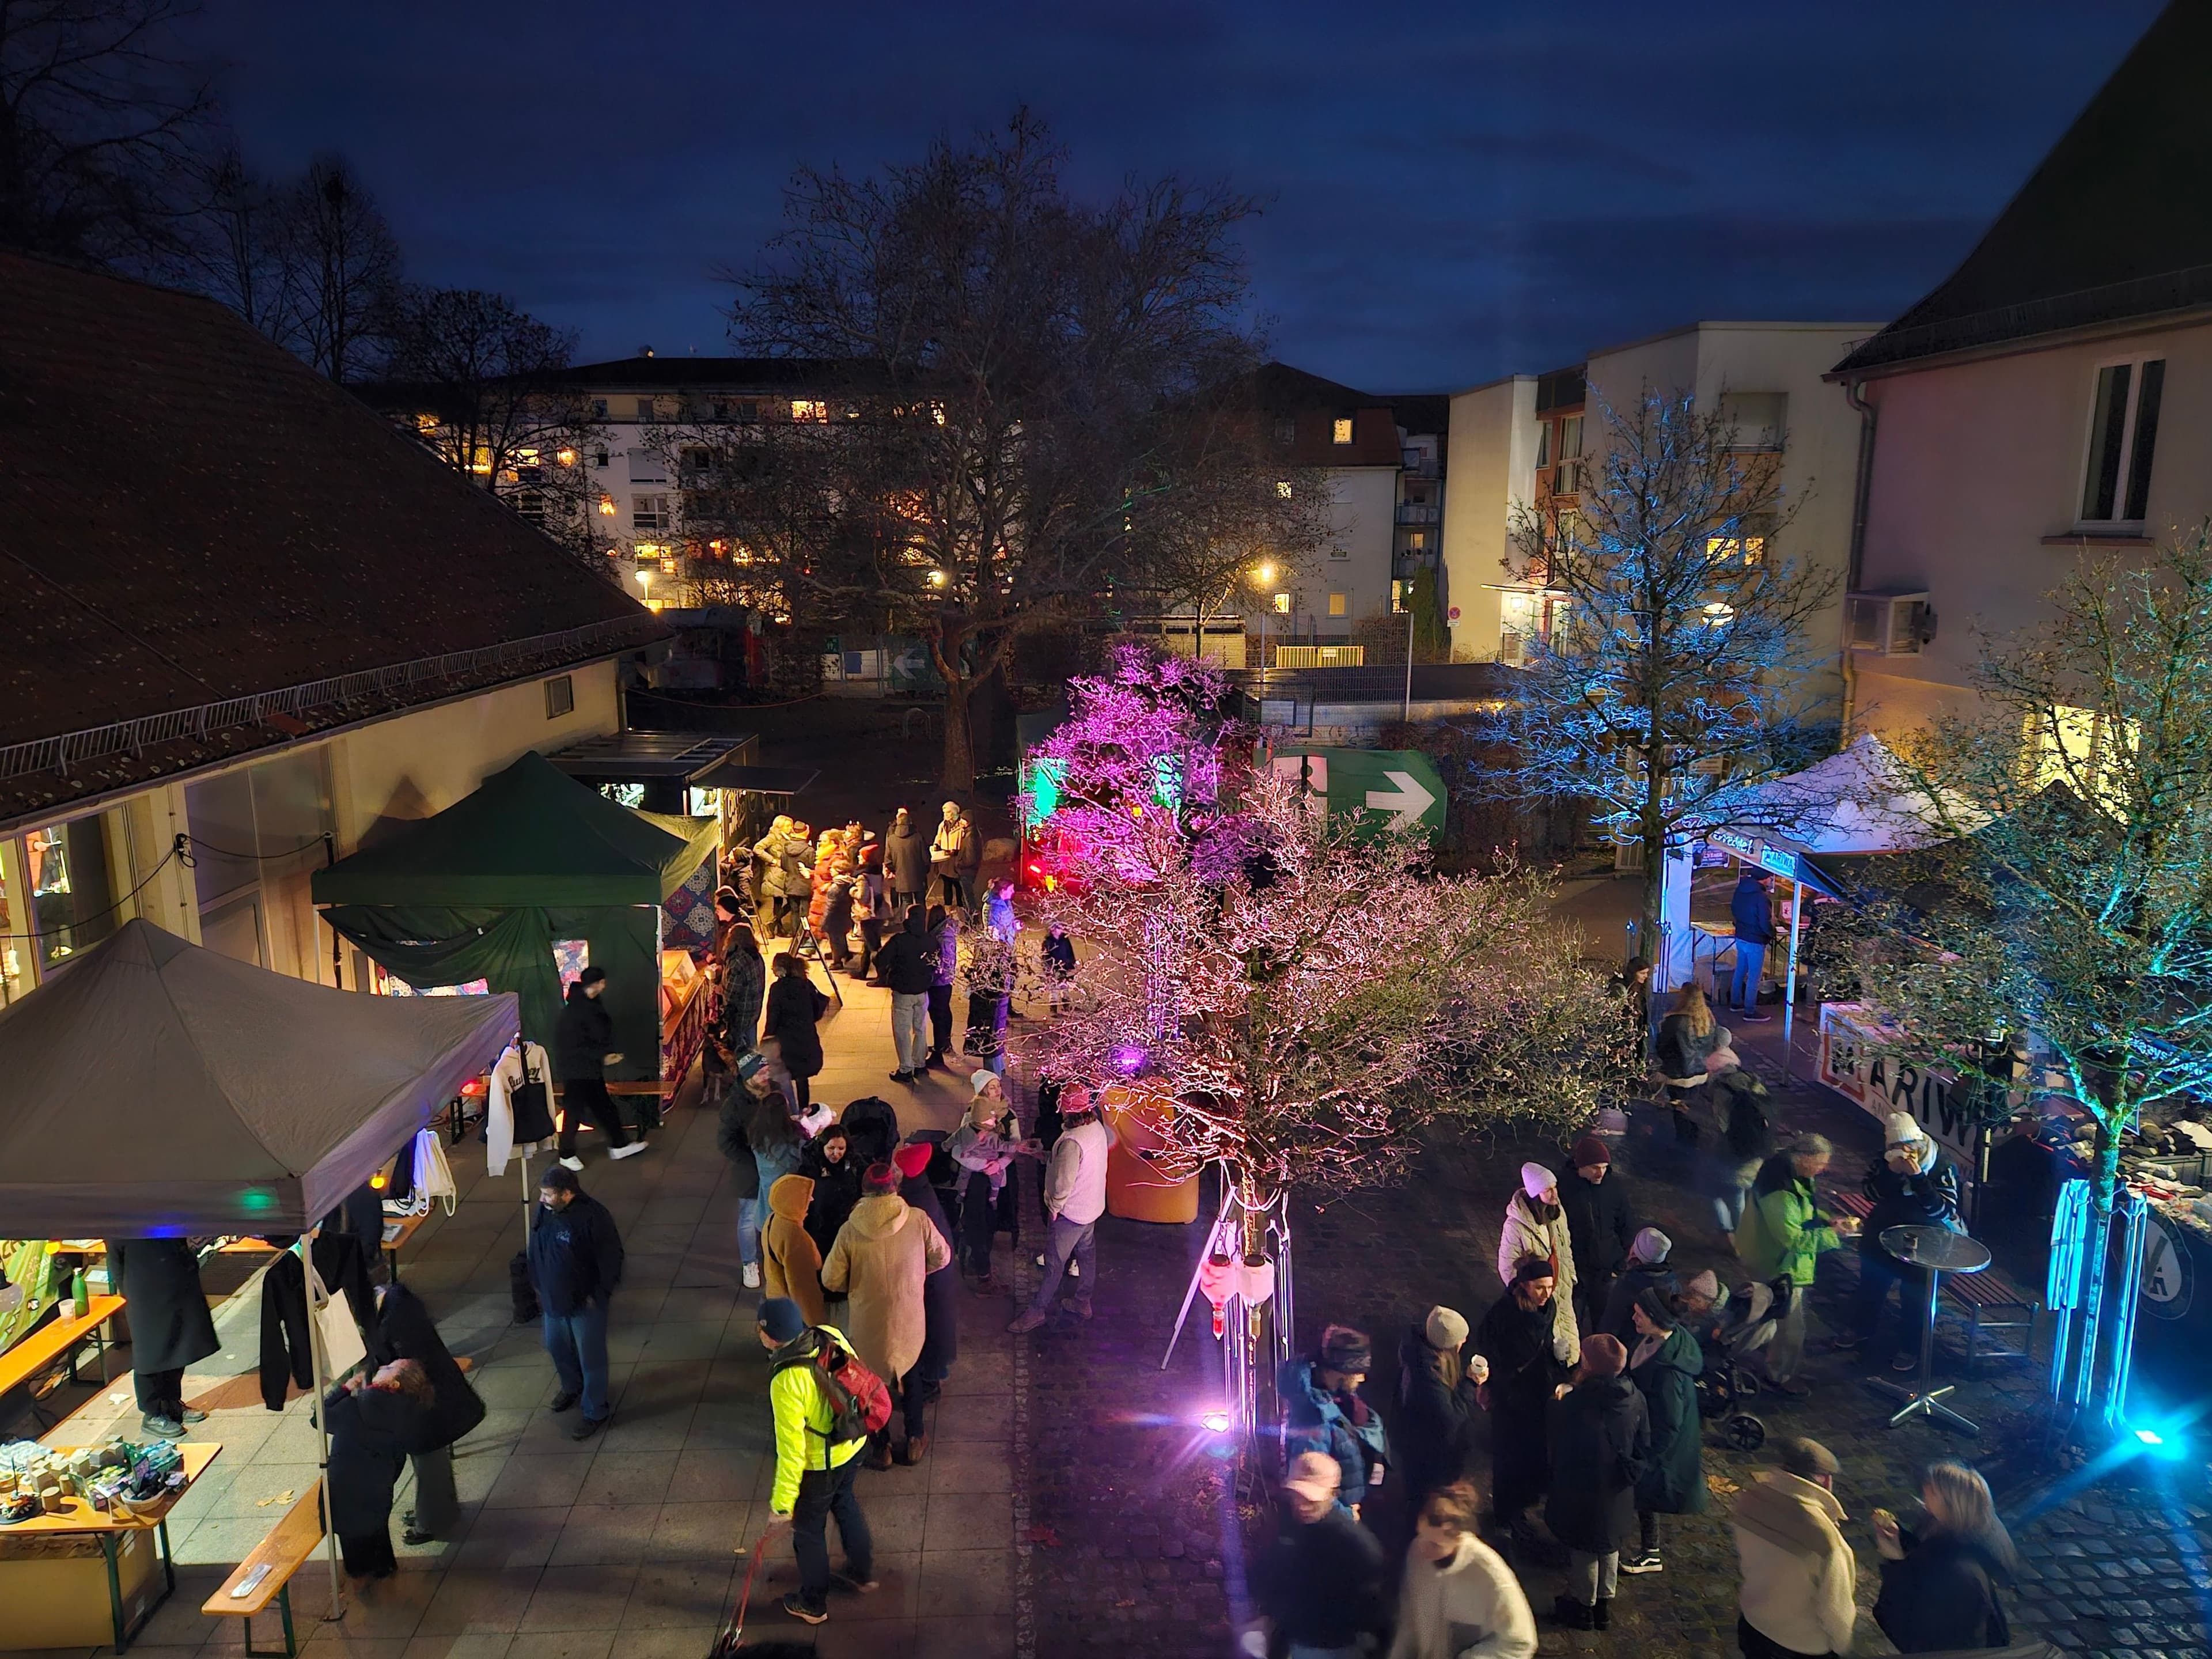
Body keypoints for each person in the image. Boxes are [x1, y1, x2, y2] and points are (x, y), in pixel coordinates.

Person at [821, 1161, 952, 1469]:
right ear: (895, 1188)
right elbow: (942, 1256)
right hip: (908, 1317)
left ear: (865, 1191)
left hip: (868, 1321)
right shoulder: (917, 1219)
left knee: (870, 1383)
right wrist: (918, 1275)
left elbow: (831, 1279)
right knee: (911, 1373)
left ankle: (882, 1447)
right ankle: (915, 1438)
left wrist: (856, 1285)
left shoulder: (851, 1229)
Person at [756, 1297, 876, 1626]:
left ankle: (812, 1603)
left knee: (808, 1531)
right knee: (845, 1502)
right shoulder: (827, 1334)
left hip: (823, 1465)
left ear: (771, 1336)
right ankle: (862, 1572)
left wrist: (782, 1506)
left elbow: (792, 1450)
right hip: (854, 1443)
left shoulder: (786, 1381)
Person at [1842, 1112, 1962, 1375]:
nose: (1904, 1153)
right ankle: (1861, 1329)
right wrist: (1891, 1174)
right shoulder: (1885, 1160)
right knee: (1872, 1284)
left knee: (1915, 1297)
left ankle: (1910, 1347)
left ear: (1918, 1144)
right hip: (1885, 1231)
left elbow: (1942, 1211)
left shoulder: (1942, 1165)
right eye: (1897, 1148)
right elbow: (1871, 1192)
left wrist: (1918, 1179)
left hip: (1927, 1238)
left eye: (1908, 1147)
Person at [366, 1279, 484, 1546]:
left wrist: (381, 1379)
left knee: (429, 1462)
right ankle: (440, 1512)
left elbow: (405, 1365)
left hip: (424, 1401)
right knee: (433, 1461)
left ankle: (432, 1522)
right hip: (428, 1396)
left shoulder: (397, 1320)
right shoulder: (398, 1305)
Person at [1734, 1134, 1851, 1394]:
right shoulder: (1781, 1193)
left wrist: (1826, 1221)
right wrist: (1833, 1235)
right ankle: (1779, 1376)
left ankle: (1729, 1347)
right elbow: (1793, 1239)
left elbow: (1802, 1212)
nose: (1823, 1169)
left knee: (1764, 1314)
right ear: (1804, 1158)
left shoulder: (1789, 1174)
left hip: (1768, 1257)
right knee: (1790, 1328)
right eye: (1820, 1163)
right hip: (1780, 1265)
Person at [1546, 1333, 1647, 1631]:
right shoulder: (1635, 1398)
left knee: (1586, 1548)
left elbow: (1559, 1441)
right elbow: (1644, 1441)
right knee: (1609, 1542)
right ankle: (1604, 1602)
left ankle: (1584, 1606)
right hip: (1618, 1488)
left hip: (1584, 1488)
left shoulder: (1579, 1404)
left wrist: (1556, 1402)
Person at [1472, 1257, 1573, 1545]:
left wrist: (1559, 1360)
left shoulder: (1548, 1308)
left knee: (1531, 1454)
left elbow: (1545, 1344)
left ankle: (1521, 1509)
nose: (1546, 1294)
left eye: (1550, 1287)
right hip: (1511, 1397)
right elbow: (1490, 1349)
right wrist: (1493, 1383)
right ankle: (1505, 1516)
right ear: (1525, 1285)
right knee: (1508, 1457)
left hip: (1537, 1395)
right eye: (1540, 1287)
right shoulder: (1505, 1312)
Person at [1251, 1452, 1389, 1659]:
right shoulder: (1289, 1526)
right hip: (1295, 1640)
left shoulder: (1356, 1545)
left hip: (1335, 1647)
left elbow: (1373, 1607)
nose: (1303, 1505)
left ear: (1333, 1494)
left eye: (1311, 1498)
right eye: (1298, 1495)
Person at [1731, 1437, 1857, 1659]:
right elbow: (1835, 1609)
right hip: (1802, 1645)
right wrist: (1841, 1645)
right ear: (1826, 1480)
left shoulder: (1749, 1500)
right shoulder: (1826, 1539)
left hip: (1754, 1623)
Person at [1873, 1460, 2015, 1653]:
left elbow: (1910, 1622)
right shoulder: (1950, 1528)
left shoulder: (1959, 1571)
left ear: (1951, 1505)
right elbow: (1927, 1553)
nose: (1925, 1488)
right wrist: (1902, 1538)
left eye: (1933, 1490)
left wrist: (1895, 1561)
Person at [1387, 1480, 1537, 1659]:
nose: (1423, 1549)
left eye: (1435, 1545)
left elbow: (1520, 1643)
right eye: (1421, 1535)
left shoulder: (1491, 1574)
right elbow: (1409, 1620)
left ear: (1459, 1537)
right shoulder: (1417, 1551)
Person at [527, 1165, 624, 1440]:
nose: (542, 1199)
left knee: (591, 1357)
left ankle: (595, 1410)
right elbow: (537, 1246)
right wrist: (537, 1283)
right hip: (553, 1298)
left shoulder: (593, 1217)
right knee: (556, 1346)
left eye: (548, 1194)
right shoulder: (547, 1211)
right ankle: (572, 1386)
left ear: (567, 1193)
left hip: (586, 1303)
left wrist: (599, 1294)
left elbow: (611, 1258)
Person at [1009, 1085, 1115, 1332]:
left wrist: (1054, 1207)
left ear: (1066, 1110)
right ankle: (1083, 1301)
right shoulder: (1096, 1128)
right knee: (1087, 1254)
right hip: (1091, 1207)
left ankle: (1037, 1311)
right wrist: (1046, 1156)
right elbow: (1079, 1165)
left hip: (1071, 1213)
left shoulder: (1071, 1142)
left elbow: (1063, 1183)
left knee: (1054, 1264)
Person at [325, 1358, 435, 1580]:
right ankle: (384, 1567)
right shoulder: (409, 1410)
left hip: (346, 1481)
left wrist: (344, 1389)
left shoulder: (353, 1407)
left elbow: (319, 1418)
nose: (383, 1366)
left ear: (394, 1384)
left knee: (351, 1531)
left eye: (390, 1368)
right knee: (376, 1524)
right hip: (380, 1480)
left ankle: (361, 1573)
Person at [1622, 1289, 1704, 1575]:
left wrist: (1646, 1453)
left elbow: (1669, 1422)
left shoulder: (1670, 1373)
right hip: (1647, 1430)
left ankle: (1650, 1552)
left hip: (1658, 1442)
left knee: (1647, 1491)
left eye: (1640, 1315)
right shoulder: (1656, 1339)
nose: (1634, 1318)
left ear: (1656, 1318)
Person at [109, 1237, 219, 1440]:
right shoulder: (122, 1220)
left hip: (175, 1275)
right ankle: (153, 1414)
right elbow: (115, 1256)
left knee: (179, 1343)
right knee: (150, 1351)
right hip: (143, 1284)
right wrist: (129, 1291)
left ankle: (171, 1403)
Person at [1278, 1325, 1391, 1517]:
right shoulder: (1313, 1418)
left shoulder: (1338, 1399)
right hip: (1337, 1522)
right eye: (1358, 1372)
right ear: (1341, 1371)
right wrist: (1347, 1515)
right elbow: (1310, 1493)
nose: (1363, 1378)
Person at [892, 1142, 960, 1436]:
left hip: (930, 1284)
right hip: (936, 1282)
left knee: (931, 1332)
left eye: (897, 1167)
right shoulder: (920, 1192)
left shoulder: (913, 1203)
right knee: (937, 1329)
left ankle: (930, 1384)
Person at [1395, 1304, 1487, 1513]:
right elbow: (1451, 1417)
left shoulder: (1426, 1357)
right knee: (1426, 1503)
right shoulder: (1427, 1375)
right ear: (1447, 1344)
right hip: (1428, 1454)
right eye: (1460, 1339)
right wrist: (1470, 1383)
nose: (1464, 1342)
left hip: (1424, 1447)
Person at [553, 967, 642, 1166]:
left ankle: (619, 1144)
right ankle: (566, 1154)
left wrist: (604, 1056)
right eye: (601, 981)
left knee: (603, 1107)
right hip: (575, 1070)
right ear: (595, 984)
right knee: (574, 1110)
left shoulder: (589, 1004)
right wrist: (603, 1058)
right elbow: (575, 1045)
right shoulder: (575, 1012)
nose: (604, 985)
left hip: (589, 1068)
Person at [946, 1070, 1024, 1291]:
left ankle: (987, 1252)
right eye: (992, 1087)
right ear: (982, 1091)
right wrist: (983, 1165)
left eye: (998, 1085)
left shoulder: (1009, 1115)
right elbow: (960, 1148)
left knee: (998, 1217)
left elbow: (1014, 1144)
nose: (997, 1090)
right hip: (977, 1179)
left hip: (1000, 1174)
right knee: (979, 1221)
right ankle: (980, 1265)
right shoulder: (972, 1116)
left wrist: (1000, 1164)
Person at [1496, 1162, 1580, 1365]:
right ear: (1535, 1194)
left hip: (1561, 1286)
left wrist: (1570, 1276)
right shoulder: (1515, 1226)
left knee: (1568, 1340)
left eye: (1555, 1187)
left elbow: (1565, 1247)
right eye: (1548, 1190)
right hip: (1537, 1295)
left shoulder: (1557, 1213)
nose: (1555, 1194)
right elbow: (1507, 1266)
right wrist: (1527, 1291)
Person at [1557, 1135, 1635, 1334]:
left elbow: (1626, 1226)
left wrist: (1620, 1263)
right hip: (1576, 1271)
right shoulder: (1564, 1188)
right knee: (1571, 1322)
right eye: (1595, 1168)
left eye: (1604, 1167)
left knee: (1604, 1325)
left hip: (1605, 1272)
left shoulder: (1613, 1188)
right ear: (1580, 1166)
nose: (1601, 1173)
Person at [1711, 1053, 1775, 1233]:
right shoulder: (1755, 1085)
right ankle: (1748, 1228)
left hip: (1736, 1152)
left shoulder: (1722, 1091)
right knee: (1745, 1191)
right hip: (1759, 1150)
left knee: (1720, 1193)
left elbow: (1722, 1125)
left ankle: (1735, 1231)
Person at [1654, 983, 1722, 1145]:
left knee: (1680, 1112)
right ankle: (1693, 1139)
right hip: (1700, 1073)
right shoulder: (1708, 1020)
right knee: (1694, 1110)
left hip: (1678, 1074)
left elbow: (1661, 1046)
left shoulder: (1675, 1021)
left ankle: (1684, 1146)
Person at [762, 952, 829, 1111]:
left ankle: (791, 1111)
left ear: (780, 970)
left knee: (784, 1077)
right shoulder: (805, 984)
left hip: (787, 1042)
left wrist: (767, 1037)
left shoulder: (778, 989)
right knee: (802, 1078)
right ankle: (804, 1111)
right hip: (806, 1038)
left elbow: (773, 1016)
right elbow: (816, 1009)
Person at [877, 904, 937, 1083]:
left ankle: (906, 1069)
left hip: (903, 991)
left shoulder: (899, 940)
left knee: (902, 1030)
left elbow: (880, 959)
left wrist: (888, 973)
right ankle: (920, 1064)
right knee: (921, 1028)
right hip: (922, 991)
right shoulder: (931, 940)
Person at [715, 1071, 763, 1289]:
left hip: (773, 1168)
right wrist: (752, 1160)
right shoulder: (735, 1104)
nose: (767, 1073)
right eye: (761, 1071)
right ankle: (749, 1263)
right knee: (748, 1218)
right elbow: (726, 1142)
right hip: (750, 1172)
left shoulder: (775, 1092)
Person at [762, 1173, 827, 1327]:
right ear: (792, 1201)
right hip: (794, 1313)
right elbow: (801, 1288)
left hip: (776, 1299)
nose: (812, 1200)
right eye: (807, 1197)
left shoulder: (773, 1219)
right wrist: (818, 1324)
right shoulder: (795, 1237)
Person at [1600, 1227, 1676, 1342]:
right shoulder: (1673, 1283)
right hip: (1654, 1344)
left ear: (1634, 1253)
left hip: (1628, 1346)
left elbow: (1610, 1324)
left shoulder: (1626, 1286)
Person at [801, 1123, 863, 1257]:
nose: (836, 1153)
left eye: (841, 1148)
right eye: (831, 1148)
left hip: (845, 1227)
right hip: (817, 1228)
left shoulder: (855, 1165)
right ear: (822, 1146)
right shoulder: (810, 1165)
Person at [718, 907, 767, 1054]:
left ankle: (746, 1066)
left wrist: (720, 989)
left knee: (741, 1046)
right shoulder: (756, 955)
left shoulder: (737, 961)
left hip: (741, 1013)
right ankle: (756, 1063)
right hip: (754, 1008)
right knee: (752, 1042)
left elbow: (732, 994)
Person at [1730, 869, 1777, 1020]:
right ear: (1765, 879)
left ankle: (1735, 1003)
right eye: (1770, 877)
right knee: (1754, 976)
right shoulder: (1761, 897)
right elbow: (1765, 921)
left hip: (1741, 935)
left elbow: (1734, 909)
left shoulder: (1741, 889)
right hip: (1755, 939)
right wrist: (1772, 933)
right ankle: (1750, 1011)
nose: (1771, 880)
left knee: (1740, 971)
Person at [925, 903, 959, 1068]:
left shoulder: (942, 937)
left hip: (939, 983)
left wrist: (932, 976)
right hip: (945, 982)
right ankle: (944, 1044)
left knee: (939, 1017)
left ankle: (939, 1052)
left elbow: (944, 962)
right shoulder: (945, 933)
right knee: (944, 1013)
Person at [854, 847, 892, 980]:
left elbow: (862, 897)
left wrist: (852, 891)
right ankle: (862, 971)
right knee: (869, 944)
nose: (858, 858)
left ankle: (883, 975)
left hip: (868, 914)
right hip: (879, 912)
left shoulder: (863, 876)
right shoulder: (878, 873)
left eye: (861, 856)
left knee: (874, 947)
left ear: (866, 858)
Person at [883, 806, 929, 911]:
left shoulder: (891, 840)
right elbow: (926, 859)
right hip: (918, 877)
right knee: (920, 902)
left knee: (906, 902)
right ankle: (922, 921)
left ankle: (906, 921)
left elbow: (888, 861)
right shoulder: (918, 837)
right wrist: (924, 871)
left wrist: (897, 870)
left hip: (902, 878)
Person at [930, 800, 971, 912]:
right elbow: (938, 837)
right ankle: (948, 908)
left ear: (954, 812)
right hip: (945, 861)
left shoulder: (961, 825)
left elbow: (966, 841)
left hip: (957, 860)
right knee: (947, 885)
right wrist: (936, 845)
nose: (946, 815)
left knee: (958, 886)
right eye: (945, 813)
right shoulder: (943, 825)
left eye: (948, 812)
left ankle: (961, 909)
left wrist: (958, 851)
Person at [1041, 922, 1077, 1014]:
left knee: (1065, 987)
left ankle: (1066, 1006)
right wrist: (1048, 969)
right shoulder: (1048, 942)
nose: (1062, 930)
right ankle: (1053, 1008)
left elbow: (1070, 952)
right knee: (1054, 988)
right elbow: (1045, 957)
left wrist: (1071, 964)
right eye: (1059, 928)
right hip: (1053, 968)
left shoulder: (1065, 940)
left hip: (1064, 967)